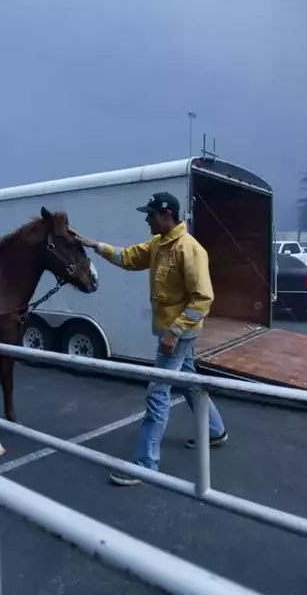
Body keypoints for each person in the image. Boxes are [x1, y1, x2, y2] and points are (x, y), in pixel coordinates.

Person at [77, 191, 228, 486]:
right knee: (188, 380)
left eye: (149, 214)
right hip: (171, 332)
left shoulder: (189, 249)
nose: (146, 219)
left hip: (178, 334)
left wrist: (175, 331)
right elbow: (130, 257)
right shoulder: (159, 244)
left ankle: (146, 464)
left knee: (157, 392)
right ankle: (215, 430)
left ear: (165, 215)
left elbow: (203, 299)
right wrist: (95, 245)